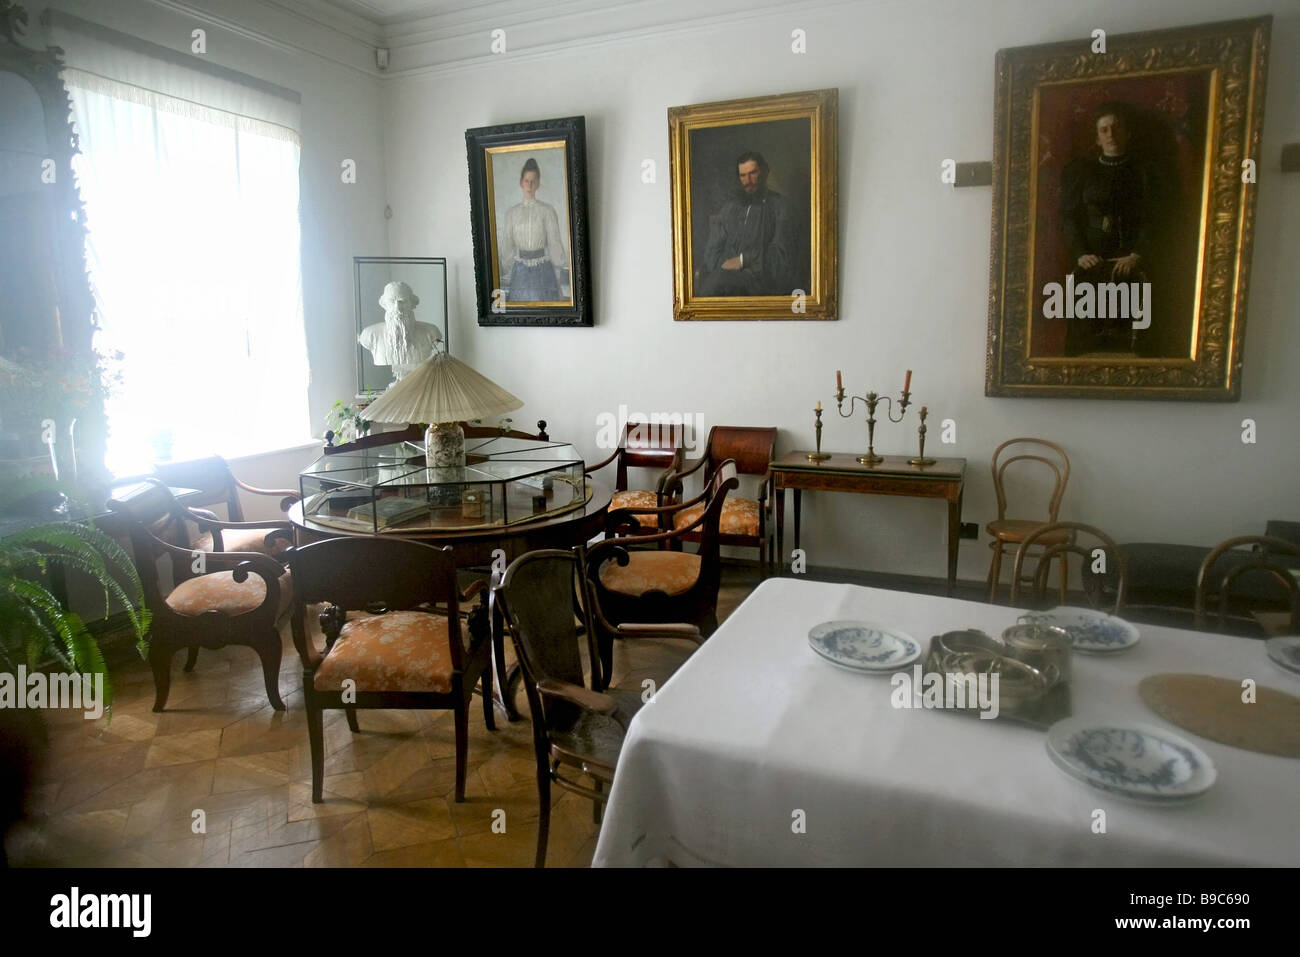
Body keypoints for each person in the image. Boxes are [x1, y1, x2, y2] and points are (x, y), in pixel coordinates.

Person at [1059, 102, 1160, 354]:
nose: (1111, 135)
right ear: (1097, 137)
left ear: (1127, 133)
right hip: (1091, 261)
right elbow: (1069, 217)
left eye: (1116, 128)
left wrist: (1137, 254)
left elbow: (1153, 217)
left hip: (1131, 260)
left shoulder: (1144, 171)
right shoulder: (1082, 171)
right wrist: (1081, 254)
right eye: (1104, 130)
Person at [695, 151, 796, 297]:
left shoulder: (780, 207)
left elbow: (781, 256)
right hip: (725, 281)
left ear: (765, 172)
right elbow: (711, 253)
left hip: (762, 285)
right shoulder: (729, 208)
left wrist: (743, 261)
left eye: (753, 173)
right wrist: (727, 265)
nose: (748, 181)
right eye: (743, 175)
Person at [499, 157, 569, 302]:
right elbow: (507, 247)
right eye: (526, 181)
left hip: (543, 272)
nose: (530, 185)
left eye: (533, 181)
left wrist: (558, 276)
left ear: (538, 184)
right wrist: (506, 271)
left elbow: (555, 244)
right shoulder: (512, 214)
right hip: (520, 273)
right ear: (521, 183)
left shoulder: (547, 211)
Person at [357, 280, 442, 382]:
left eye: (402, 301)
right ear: (384, 304)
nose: (397, 308)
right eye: (392, 301)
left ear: (411, 303)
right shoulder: (370, 334)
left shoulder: (430, 332)